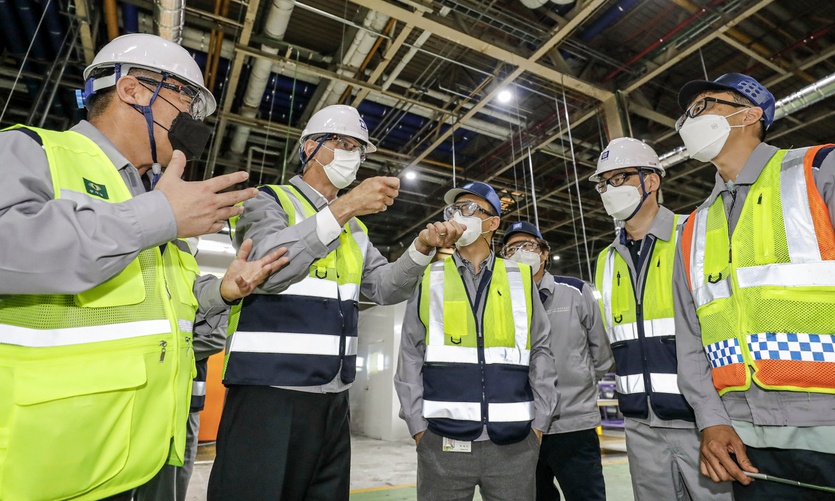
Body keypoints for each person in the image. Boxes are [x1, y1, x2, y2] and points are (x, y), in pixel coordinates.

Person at [0, 33, 288, 501]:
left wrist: (223, 294)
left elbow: (168, 322)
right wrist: (157, 216)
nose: (194, 121)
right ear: (132, 89)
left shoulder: (157, 199)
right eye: (186, 99)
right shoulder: (31, 151)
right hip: (48, 468)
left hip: (145, 460)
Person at [207, 104, 464, 500]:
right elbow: (268, 268)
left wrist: (420, 248)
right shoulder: (267, 201)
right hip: (268, 393)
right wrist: (345, 207)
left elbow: (383, 288)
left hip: (332, 396)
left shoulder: (354, 230)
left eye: (359, 149)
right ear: (310, 147)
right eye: (343, 143)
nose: (353, 155)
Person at [674, 72, 835, 500]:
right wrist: (711, 419)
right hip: (744, 442)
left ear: (749, 114)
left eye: (703, 107)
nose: (689, 121)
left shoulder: (818, 172)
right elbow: (691, 339)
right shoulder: (693, 229)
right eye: (685, 115)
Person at [395, 182, 558, 501]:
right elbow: (410, 356)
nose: (458, 216)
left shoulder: (520, 278)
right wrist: (418, 427)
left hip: (514, 445)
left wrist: (539, 424)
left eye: (468, 209)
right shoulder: (430, 277)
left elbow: (541, 351)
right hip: (442, 443)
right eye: (454, 210)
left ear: (492, 222)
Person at [591, 137, 733, 500]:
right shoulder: (606, 260)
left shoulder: (694, 234)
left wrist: (716, 416)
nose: (610, 189)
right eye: (603, 182)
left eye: (620, 177)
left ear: (650, 181)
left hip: (702, 420)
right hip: (640, 424)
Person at [501, 221, 613, 501]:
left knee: (586, 495)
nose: (520, 252)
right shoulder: (500, 301)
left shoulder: (575, 291)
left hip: (573, 424)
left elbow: (601, 354)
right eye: (511, 248)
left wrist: (577, 385)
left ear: (544, 253)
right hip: (523, 427)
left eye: (528, 245)